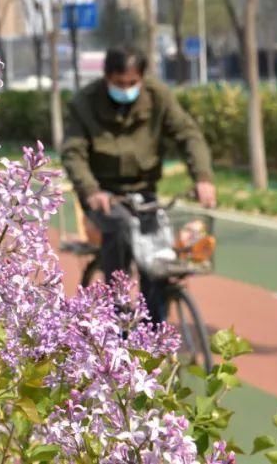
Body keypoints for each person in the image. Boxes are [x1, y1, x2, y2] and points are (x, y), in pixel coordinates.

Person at [61, 44, 216, 323]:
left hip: (144, 190)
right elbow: (74, 153)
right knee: (119, 226)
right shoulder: (85, 103)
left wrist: (203, 178)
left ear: (142, 79)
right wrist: (91, 190)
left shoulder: (158, 98)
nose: (126, 88)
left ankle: (153, 328)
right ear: (107, 77)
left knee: (156, 257)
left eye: (132, 83)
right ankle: (116, 309)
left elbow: (188, 135)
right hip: (103, 194)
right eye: (119, 83)